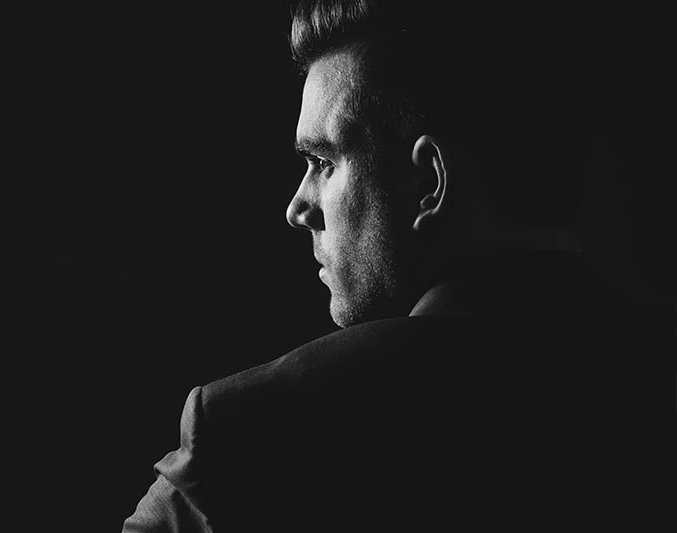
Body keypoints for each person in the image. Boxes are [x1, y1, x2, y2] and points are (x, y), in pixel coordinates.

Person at [123, 1, 667, 531]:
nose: (298, 208)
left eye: (323, 161)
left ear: (428, 183)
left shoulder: (252, 433)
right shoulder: (650, 389)